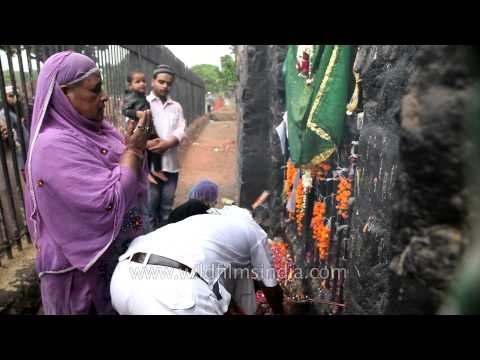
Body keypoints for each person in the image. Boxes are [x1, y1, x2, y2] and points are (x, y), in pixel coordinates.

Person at [24, 51, 152, 315]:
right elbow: (108, 201)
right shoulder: (52, 145)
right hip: (80, 280)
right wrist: (133, 152)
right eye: (95, 90)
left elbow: (127, 175)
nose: (104, 96)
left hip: (115, 263)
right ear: (63, 94)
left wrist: (130, 150)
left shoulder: (99, 130)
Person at [110, 204, 284, 315]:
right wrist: (279, 311)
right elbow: (271, 288)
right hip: (172, 296)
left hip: (123, 281)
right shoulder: (253, 231)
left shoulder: (202, 223)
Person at [146, 64, 186, 229]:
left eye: (168, 83)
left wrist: (169, 142)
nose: (165, 86)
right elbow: (132, 131)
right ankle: (149, 245)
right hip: (149, 169)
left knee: (166, 209)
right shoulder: (143, 103)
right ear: (152, 82)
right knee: (150, 210)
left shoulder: (176, 107)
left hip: (171, 167)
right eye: (161, 82)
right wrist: (146, 144)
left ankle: (164, 242)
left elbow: (181, 129)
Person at [122, 70, 167, 183]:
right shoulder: (130, 97)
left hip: (147, 126)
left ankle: (156, 170)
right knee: (145, 150)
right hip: (139, 127)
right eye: (138, 81)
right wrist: (137, 114)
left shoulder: (141, 96)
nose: (142, 83)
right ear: (130, 85)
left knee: (155, 146)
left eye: (143, 81)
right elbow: (125, 110)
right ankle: (146, 173)